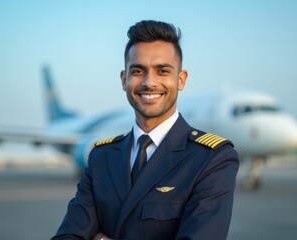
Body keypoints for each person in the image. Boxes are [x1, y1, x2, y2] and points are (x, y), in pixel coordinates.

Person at [52, 20, 239, 240]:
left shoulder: (212, 159)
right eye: (138, 70)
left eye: (162, 71)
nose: (150, 83)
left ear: (181, 79)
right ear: (124, 80)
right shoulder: (101, 157)